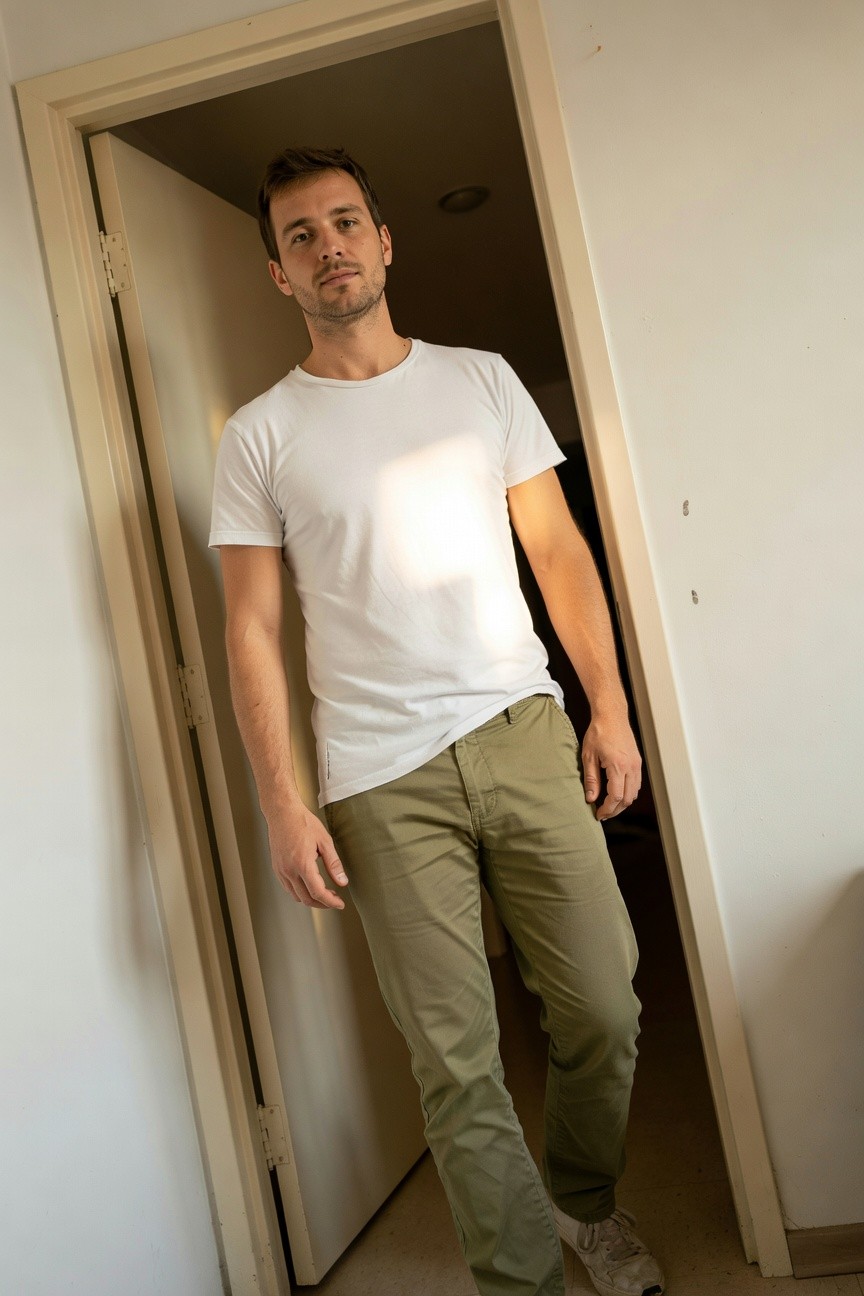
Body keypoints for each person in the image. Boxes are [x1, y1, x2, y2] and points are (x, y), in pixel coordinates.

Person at [209, 146, 664, 1296]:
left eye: (345, 221)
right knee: (458, 1066)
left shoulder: (482, 380)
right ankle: (526, 1282)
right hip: (374, 776)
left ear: (385, 241)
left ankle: (584, 1203)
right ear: (278, 274)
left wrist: (607, 709)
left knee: (604, 1006)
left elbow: (556, 553)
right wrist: (281, 802)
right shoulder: (259, 435)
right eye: (301, 235)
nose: (329, 246)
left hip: (519, 728)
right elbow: (253, 632)